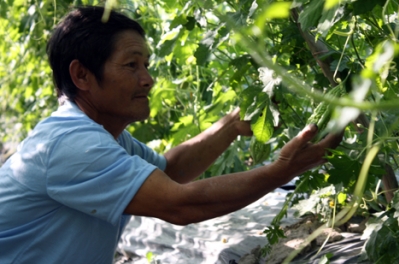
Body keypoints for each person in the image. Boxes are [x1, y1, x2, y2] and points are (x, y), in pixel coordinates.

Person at [0, 6, 342, 263]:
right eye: (132, 65)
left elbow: (169, 171)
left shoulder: (104, 136)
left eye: (146, 65)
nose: (147, 79)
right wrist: (283, 169)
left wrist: (231, 125)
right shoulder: (71, 144)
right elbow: (181, 205)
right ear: (82, 75)